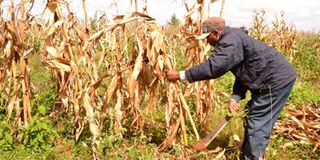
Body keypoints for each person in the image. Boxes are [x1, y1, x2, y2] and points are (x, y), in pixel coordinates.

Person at [166, 17, 297, 160]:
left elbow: (214, 67)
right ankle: (248, 154)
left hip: (275, 81)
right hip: (269, 79)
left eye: (207, 37)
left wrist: (181, 75)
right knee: (253, 118)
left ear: (216, 33)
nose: (206, 41)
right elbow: (245, 71)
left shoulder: (230, 41)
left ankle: (254, 157)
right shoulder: (232, 38)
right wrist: (236, 97)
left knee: (258, 121)